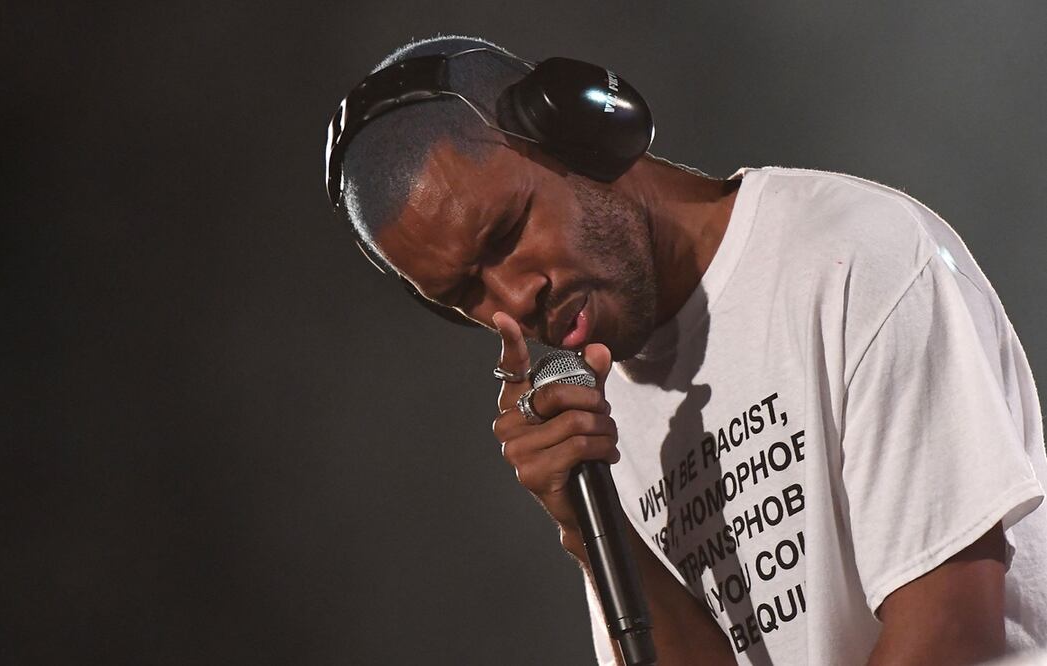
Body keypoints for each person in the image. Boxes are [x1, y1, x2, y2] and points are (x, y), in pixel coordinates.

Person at [327, 34, 1047, 664]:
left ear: (579, 133)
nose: (512, 299)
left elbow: (953, 635)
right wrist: (588, 526)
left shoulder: (853, 257)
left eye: (508, 232)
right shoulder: (592, 417)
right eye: (464, 293)